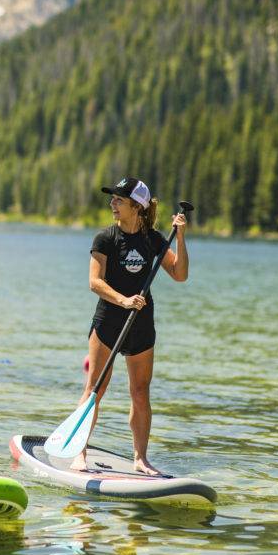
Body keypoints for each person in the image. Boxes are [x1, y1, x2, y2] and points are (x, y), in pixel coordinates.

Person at [71, 176, 188, 475]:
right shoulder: (105, 238)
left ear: (137, 206)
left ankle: (141, 459)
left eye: (119, 199)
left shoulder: (154, 240)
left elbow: (179, 273)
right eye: (113, 198)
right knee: (95, 388)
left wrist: (182, 236)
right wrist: (123, 300)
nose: (112, 203)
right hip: (109, 321)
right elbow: (94, 282)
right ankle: (79, 453)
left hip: (141, 324)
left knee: (140, 391)